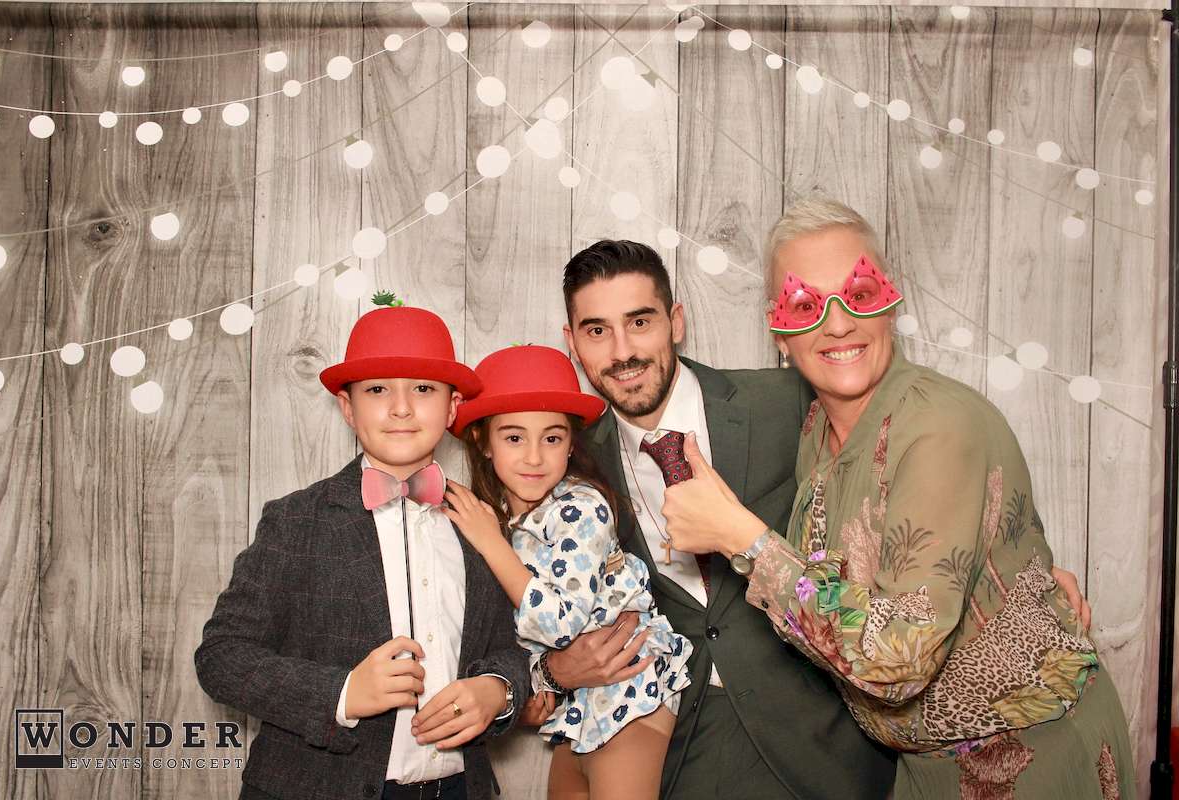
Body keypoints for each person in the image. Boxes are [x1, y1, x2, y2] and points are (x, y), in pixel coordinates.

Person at [660, 197, 1135, 799]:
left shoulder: (938, 425)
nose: (837, 325)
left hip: (1032, 758)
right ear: (779, 329)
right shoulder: (817, 430)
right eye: (805, 304)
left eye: (858, 294)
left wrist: (741, 538)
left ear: (890, 304)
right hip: (919, 769)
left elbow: (901, 660)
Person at [540, 240, 898, 799]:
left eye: (640, 322)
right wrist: (553, 670)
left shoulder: (786, 400)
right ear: (572, 342)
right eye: (597, 330)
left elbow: (892, 493)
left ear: (676, 321)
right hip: (685, 746)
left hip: (825, 743)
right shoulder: (571, 460)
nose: (622, 351)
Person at [195, 298, 530, 800]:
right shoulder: (296, 521)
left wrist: (499, 689)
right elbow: (221, 657)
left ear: (453, 407)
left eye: (423, 389)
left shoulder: (481, 522)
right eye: (377, 390)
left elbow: (515, 646)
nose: (401, 408)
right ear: (348, 408)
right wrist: (343, 692)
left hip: (460, 788)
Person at [443, 344, 692, 800]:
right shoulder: (499, 519)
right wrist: (535, 682)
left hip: (630, 696)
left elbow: (561, 623)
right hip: (578, 714)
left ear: (572, 443)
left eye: (552, 438)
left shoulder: (580, 508)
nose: (534, 457)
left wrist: (490, 543)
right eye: (514, 438)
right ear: (482, 440)